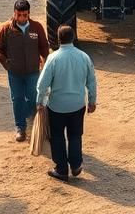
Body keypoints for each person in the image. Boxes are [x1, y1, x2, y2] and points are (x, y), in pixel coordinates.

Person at [36, 25, 98, 181]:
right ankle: (76, 165)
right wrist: (92, 101)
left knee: (57, 137)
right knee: (75, 135)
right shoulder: (84, 57)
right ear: (74, 37)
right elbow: (91, 81)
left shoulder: (53, 58)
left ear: (58, 39)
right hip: (78, 105)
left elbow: (42, 84)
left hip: (56, 107)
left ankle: (61, 169)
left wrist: (40, 101)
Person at [0, 0, 49, 142]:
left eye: (25, 15)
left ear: (29, 14)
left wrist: (45, 62)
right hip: (15, 73)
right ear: (14, 13)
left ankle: (31, 118)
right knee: (17, 99)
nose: (22, 18)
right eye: (19, 15)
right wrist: (7, 64)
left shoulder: (37, 28)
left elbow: (43, 47)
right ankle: (20, 128)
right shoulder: (6, 29)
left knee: (33, 98)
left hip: (33, 72)